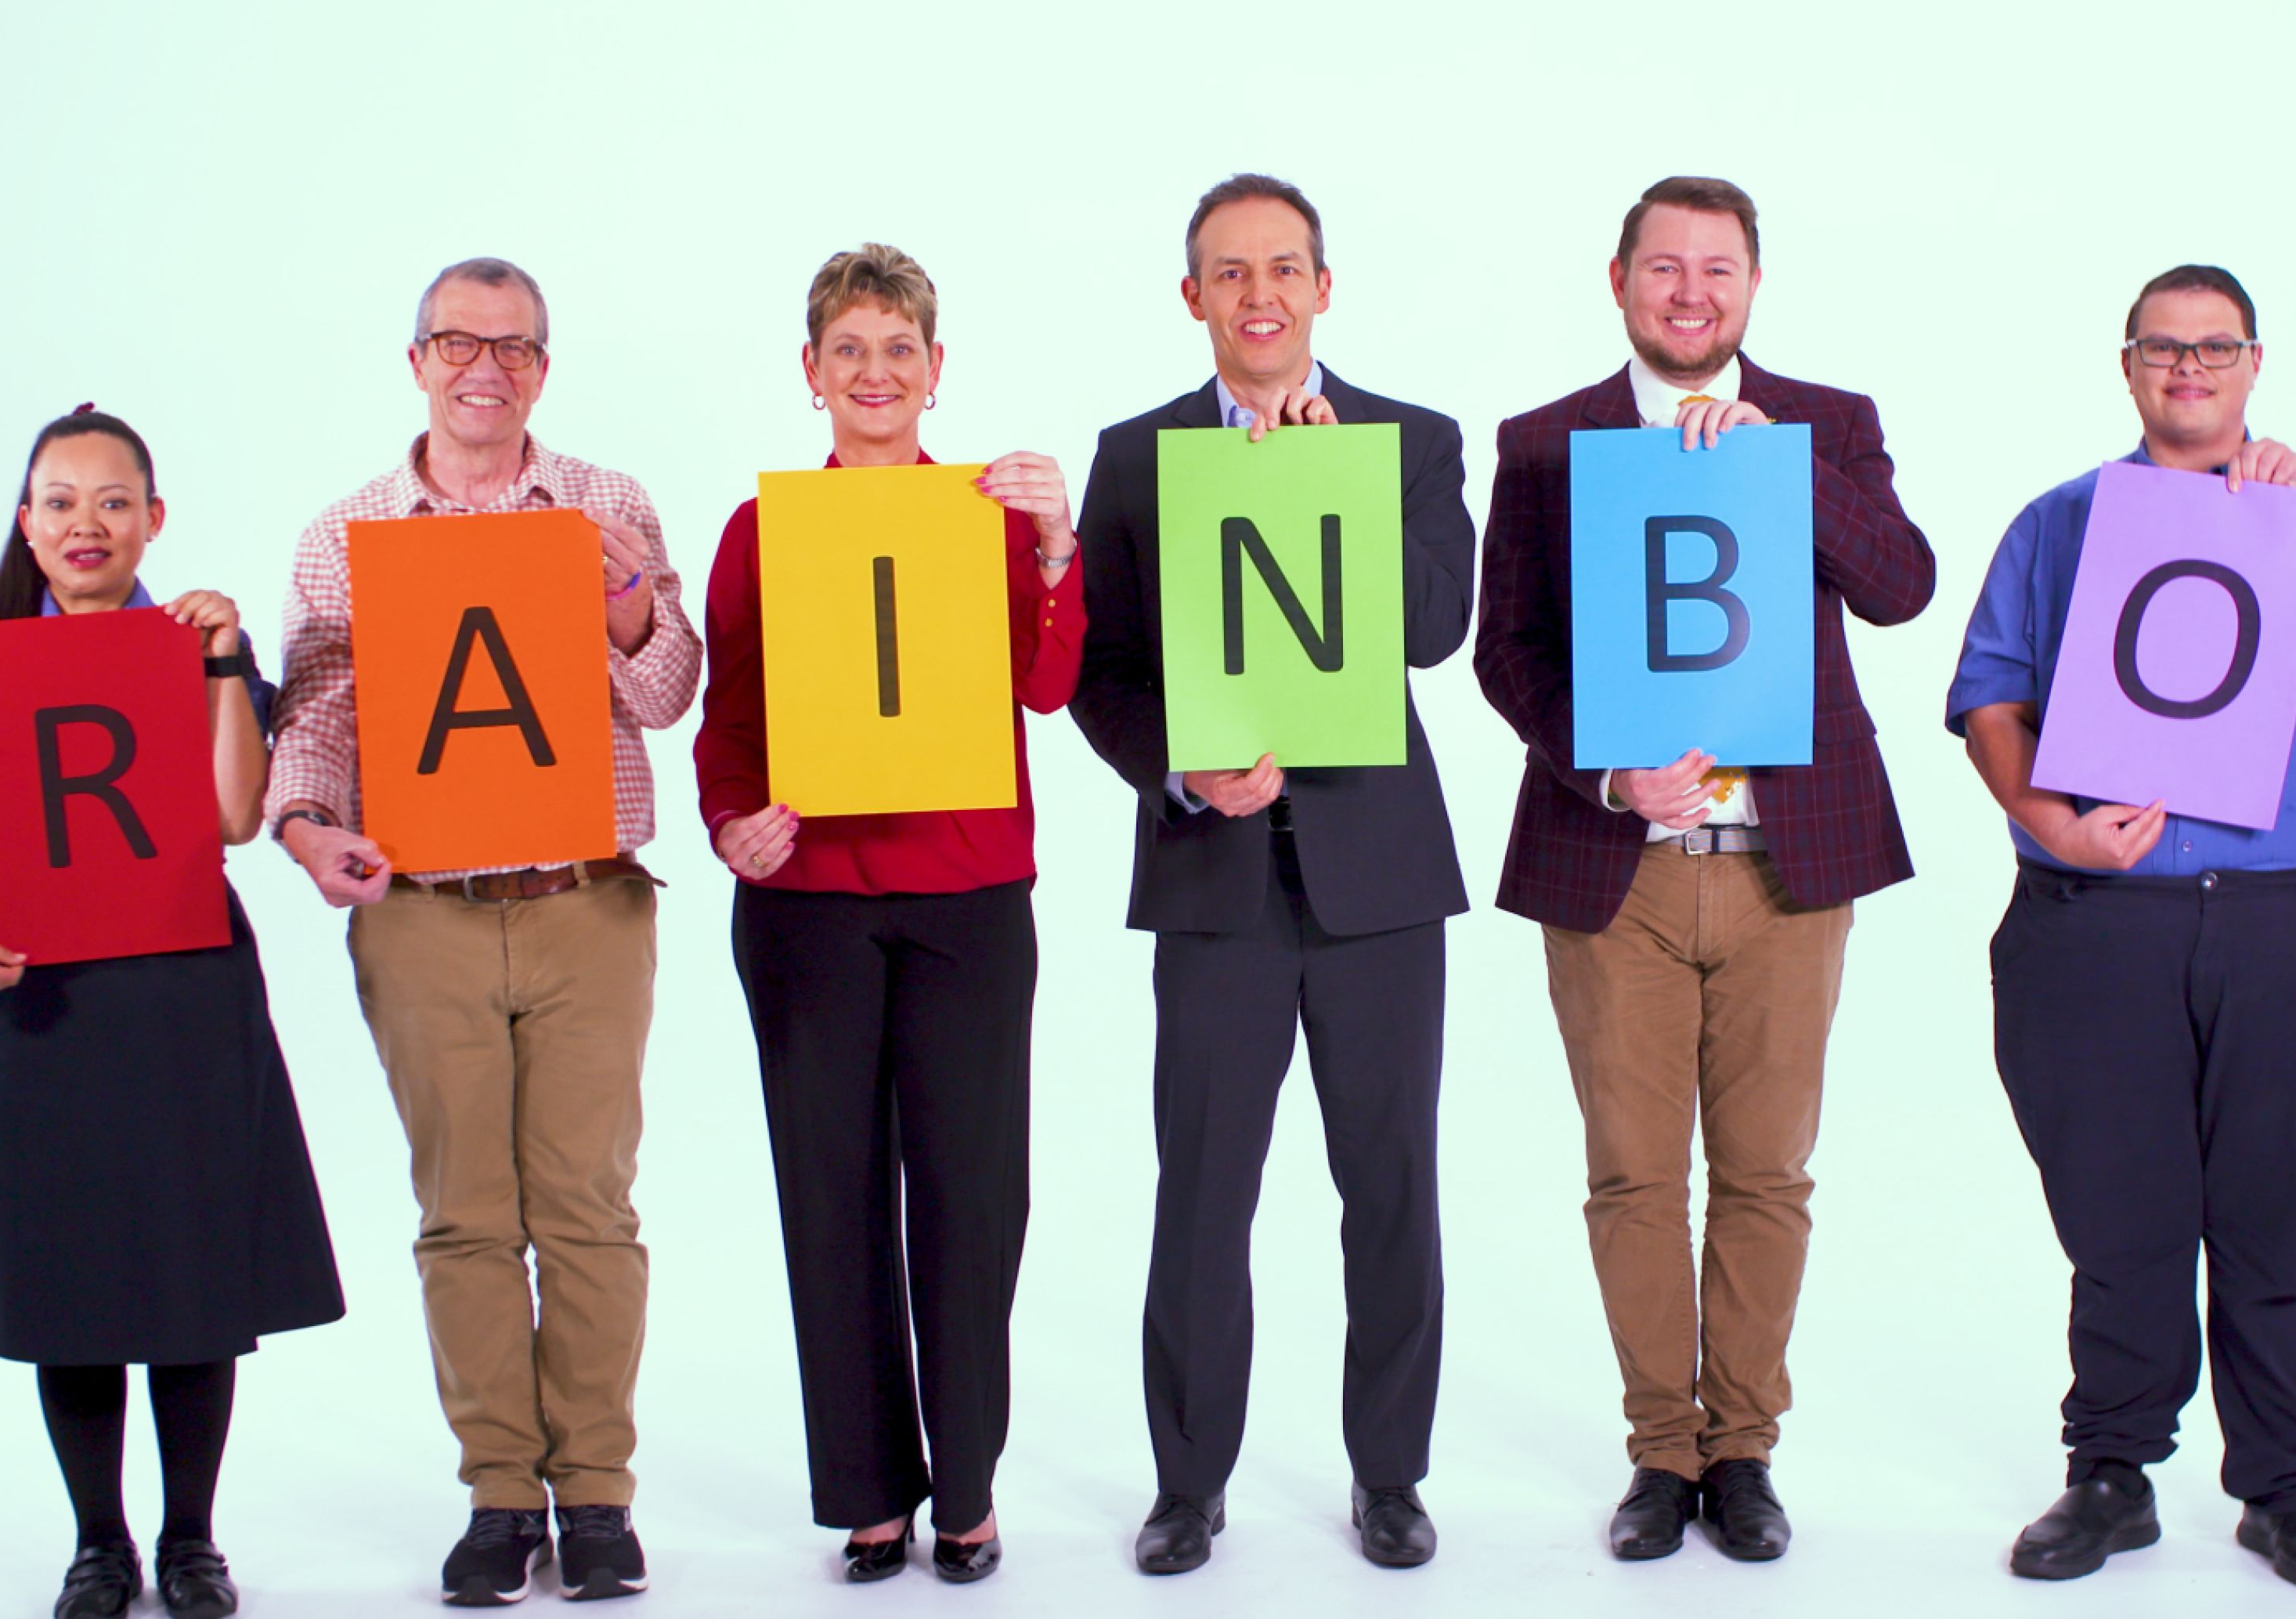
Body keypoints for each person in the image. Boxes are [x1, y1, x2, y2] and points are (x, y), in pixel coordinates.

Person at [1945, 265, 2296, 1593]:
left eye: (2213, 349)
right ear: (2129, 368)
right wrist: (2048, 818)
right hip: (2104, 916)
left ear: (2254, 364)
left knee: (2286, 1217)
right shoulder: (2061, 523)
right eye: (2162, 350)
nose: (2187, 369)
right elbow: (1992, 692)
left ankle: (2287, 1488)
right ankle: (2111, 1473)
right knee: (2122, 1214)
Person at [1471, 176, 1934, 1563]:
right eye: (1663, 268)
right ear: (1619, 281)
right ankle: (1660, 1455)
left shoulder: (1826, 426)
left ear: (1751, 285)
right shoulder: (1547, 443)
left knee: (1766, 1175)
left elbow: (1902, 584)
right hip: (1619, 864)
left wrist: (1784, 468)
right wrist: (1608, 774)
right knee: (1630, 1175)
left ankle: (1744, 1449)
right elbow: (1508, 652)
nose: (1690, 292)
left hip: (1791, 864)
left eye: (1717, 269)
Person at [265, 258, 699, 1606]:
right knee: (464, 1214)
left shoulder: (606, 501)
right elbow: (321, 712)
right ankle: (503, 1495)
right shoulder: (347, 533)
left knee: (587, 1207)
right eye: (459, 343)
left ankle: (601, 1497)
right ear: (417, 363)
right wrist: (303, 827)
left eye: (513, 349)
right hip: (424, 911)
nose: (485, 369)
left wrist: (625, 602)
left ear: (543, 371)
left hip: (583, 902)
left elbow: (670, 689)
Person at [1067, 172, 1474, 1574]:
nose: (1259, 295)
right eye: (1229, 273)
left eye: (1283, 269)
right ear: (1193, 299)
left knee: (1393, 1186)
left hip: (1376, 882)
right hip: (1215, 879)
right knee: (1202, 1193)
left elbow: (1435, 629)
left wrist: (1329, 483)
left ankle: (1392, 1477)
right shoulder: (1137, 459)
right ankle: (1188, 1485)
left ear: (1322, 288)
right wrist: (1181, 767)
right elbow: (1099, 676)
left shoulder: (1411, 441)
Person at [0, 408, 344, 1619]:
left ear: (155, 518)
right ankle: (101, 1544)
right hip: (42, 992)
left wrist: (220, 662)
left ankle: (192, 1541)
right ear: (25, 523)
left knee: (195, 1268)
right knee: (70, 1278)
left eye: (112, 500)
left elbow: (239, 817)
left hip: (186, 985)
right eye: (59, 500)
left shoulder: (194, 647)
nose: (85, 523)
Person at [691, 244, 1086, 1586]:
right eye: (848, 350)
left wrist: (1050, 546)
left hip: (968, 899)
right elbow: (731, 716)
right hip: (806, 905)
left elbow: (1046, 687)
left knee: (976, 1198)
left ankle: (966, 1486)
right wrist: (730, 820)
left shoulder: (987, 513)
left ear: (935, 370)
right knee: (831, 1196)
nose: (875, 372)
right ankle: (867, 1490)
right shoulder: (761, 531)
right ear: (812, 375)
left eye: (898, 349)